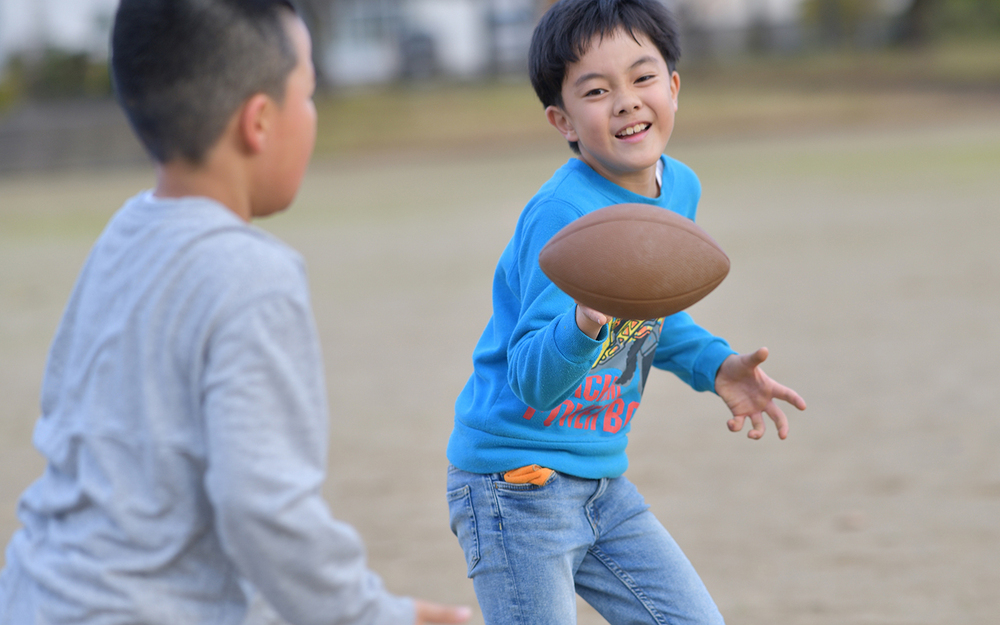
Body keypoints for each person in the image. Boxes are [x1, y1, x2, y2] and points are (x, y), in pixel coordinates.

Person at [0, 2, 470, 624]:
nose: (313, 114)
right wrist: (377, 615)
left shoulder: (123, 233)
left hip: (34, 595)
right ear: (259, 122)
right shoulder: (253, 273)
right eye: (308, 93)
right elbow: (263, 509)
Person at [444, 0, 807, 623]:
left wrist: (715, 365)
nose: (626, 102)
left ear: (673, 87)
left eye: (642, 78)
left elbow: (651, 314)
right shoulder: (563, 216)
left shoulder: (679, 188)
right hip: (517, 482)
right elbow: (531, 379)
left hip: (602, 482)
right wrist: (585, 321)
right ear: (562, 120)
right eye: (596, 90)